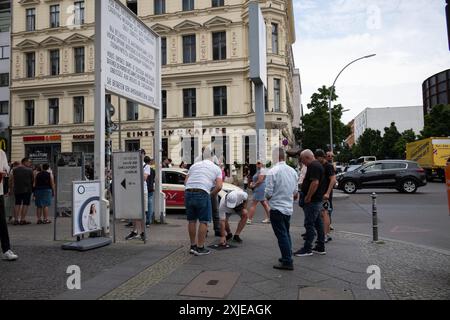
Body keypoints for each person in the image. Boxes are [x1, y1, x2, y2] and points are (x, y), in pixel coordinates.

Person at [184, 147, 223, 256]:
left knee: (191, 220)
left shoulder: (194, 165)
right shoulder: (216, 168)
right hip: (202, 192)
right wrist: (211, 194)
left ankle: (193, 246)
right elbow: (219, 186)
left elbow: (185, 181)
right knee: (203, 221)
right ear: (212, 157)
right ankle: (200, 247)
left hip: (188, 192)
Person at [265, 147, 299, 271]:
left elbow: (268, 192)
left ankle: (287, 261)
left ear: (275, 157)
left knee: (281, 235)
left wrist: (268, 197)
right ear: (283, 157)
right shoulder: (293, 171)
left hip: (276, 207)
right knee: (286, 233)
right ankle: (287, 255)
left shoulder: (272, 171)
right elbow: (295, 191)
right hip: (288, 208)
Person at [294, 149, 326, 257]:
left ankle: (307, 248)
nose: (303, 163)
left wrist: (308, 196)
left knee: (309, 224)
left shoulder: (313, 166)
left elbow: (315, 183)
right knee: (318, 223)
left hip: (313, 201)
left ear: (307, 157)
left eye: (302, 160)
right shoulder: (317, 165)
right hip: (316, 200)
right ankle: (320, 246)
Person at [0, 149, 18, 261]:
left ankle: (6, 249)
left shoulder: (1, 152)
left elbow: (6, 168)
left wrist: (4, 172)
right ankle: (6, 250)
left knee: (1, 221)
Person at [125, 161, 149, 241]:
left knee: (143, 212)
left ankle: (143, 232)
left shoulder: (146, 166)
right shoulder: (133, 164)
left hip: (143, 191)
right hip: (133, 190)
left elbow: (144, 178)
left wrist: (137, 170)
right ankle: (135, 231)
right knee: (134, 212)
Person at [317, 150, 336, 243]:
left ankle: (325, 235)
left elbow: (333, 180)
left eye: (317, 158)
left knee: (325, 213)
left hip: (325, 194)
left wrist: (328, 193)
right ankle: (325, 234)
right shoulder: (321, 165)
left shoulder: (328, 166)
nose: (316, 160)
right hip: (322, 193)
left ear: (321, 157)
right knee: (323, 213)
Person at [11, 158, 34, 225]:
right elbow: (32, 180)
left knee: (17, 204)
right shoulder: (30, 170)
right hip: (27, 189)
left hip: (17, 189)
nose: (30, 164)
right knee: (25, 204)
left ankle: (16, 220)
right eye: (29, 162)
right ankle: (22, 219)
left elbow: (12, 179)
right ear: (25, 162)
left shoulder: (14, 170)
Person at [143, 156, 155, 226]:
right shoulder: (152, 170)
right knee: (149, 205)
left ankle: (144, 220)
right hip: (150, 188)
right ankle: (148, 221)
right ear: (149, 161)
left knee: (143, 206)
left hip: (144, 188)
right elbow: (153, 179)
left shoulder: (143, 168)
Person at [326, 151, 336, 231]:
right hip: (326, 190)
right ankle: (327, 224)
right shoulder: (328, 165)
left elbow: (333, 178)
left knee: (329, 207)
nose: (330, 157)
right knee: (327, 207)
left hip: (329, 190)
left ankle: (329, 224)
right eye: (328, 156)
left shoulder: (332, 165)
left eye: (331, 156)